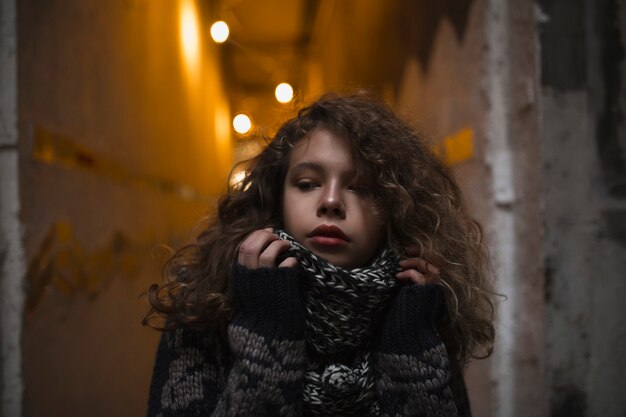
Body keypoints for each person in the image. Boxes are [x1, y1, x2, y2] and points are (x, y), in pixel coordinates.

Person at [143, 93, 495, 416]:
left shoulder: (419, 307)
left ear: (395, 207)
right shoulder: (206, 301)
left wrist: (411, 344)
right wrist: (266, 329)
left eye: (360, 187)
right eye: (308, 183)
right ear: (277, 197)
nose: (330, 202)